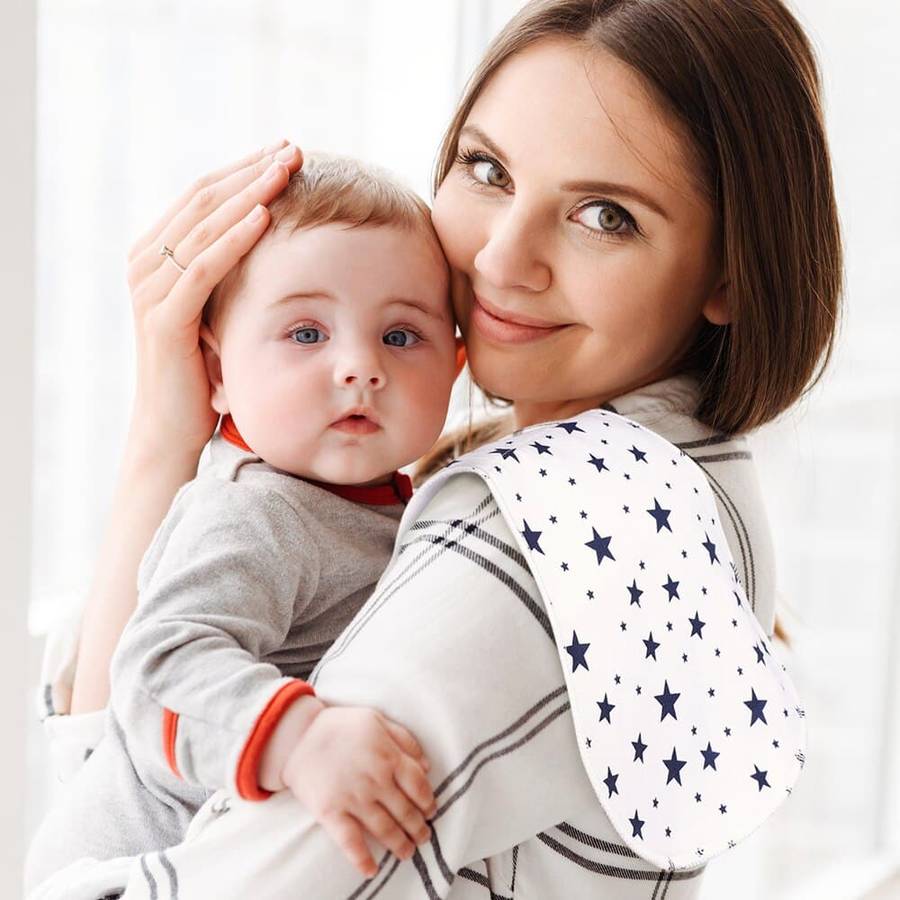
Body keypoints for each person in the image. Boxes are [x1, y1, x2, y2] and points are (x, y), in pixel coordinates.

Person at [31, 0, 841, 897]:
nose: (502, 259)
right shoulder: (665, 476)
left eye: (605, 216)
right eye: (488, 169)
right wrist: (165, 437)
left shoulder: (545, 518)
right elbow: (144, 730)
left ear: (732, 270)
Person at [26, 155, 460, 890]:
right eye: (306, 334)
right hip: (123, 876)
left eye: (400, 336)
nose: (359, 366)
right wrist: (300, 737)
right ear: (218, 372)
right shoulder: (258, 511)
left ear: (456, 364)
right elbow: (158, 674)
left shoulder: (392, 497)